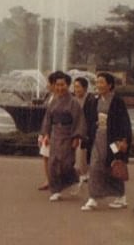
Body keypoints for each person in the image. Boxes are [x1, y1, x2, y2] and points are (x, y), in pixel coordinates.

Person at [81, 72, 132, 211]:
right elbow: (90, 118)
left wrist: (124, 140)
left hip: (113, 140)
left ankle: (121, 197)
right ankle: (93, 198)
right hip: (98, 137)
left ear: (110, 85)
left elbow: (125, 122)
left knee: (113, 165)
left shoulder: (117, 101)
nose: (98, 85)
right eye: (97, 82)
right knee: (95, 166)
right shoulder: (95, 100)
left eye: (102, 82)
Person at [40, 71, 86, 201]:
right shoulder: (53, 102)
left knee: (66, 163)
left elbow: (79, 120)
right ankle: (56, 190)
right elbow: (48, 119)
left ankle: (76, 178)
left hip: (68, 134)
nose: (60, 87)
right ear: (54, 86)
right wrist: (46, 134)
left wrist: (77, 137)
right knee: (53, 163)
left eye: (63, 85)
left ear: (68, 85)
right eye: (57, 85)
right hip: (55, 134)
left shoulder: (73, 102)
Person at [72, 76, 93, 190]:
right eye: (74, 87)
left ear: (85, 88)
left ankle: (85, 174)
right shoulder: (73, 99)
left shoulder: (90, 100)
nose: (76, 89)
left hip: (85, 131)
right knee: (78, 153)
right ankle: (80, 173)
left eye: (78, 87)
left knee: (83, 152)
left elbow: (90, 118)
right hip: (75, 130)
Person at [37, 71, 57, 190]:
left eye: (48, 83)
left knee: (51, 158)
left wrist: (47, 133)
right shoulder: (51, 97)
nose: (46, 85)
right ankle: (49, 179)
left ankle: (52, 180)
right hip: (47, 132)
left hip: (54, 133)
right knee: (46, 156)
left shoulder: (58, 98)